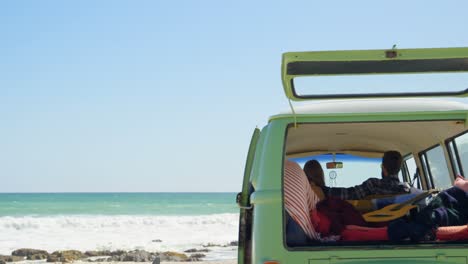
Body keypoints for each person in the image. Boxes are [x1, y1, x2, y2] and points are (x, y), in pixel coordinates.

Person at [321, 150, 409, 200]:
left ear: (383, 168)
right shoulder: (406, 190)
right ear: (399, 169)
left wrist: (322, 189)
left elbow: (349, 194)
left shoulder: (373, 184)